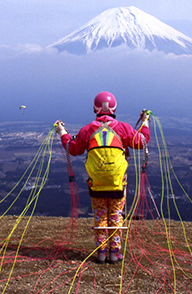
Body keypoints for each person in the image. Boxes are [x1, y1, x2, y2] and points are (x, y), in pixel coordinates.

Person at [55, 92, 150, 264]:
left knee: (100, 215)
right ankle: (115, 253)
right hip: (117, 184)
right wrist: (145, 122)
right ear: (114, 108)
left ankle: (101, 252)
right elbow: (141, 141)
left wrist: (62, 132)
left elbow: (72, 148)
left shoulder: (88, 130)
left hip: (96, 184)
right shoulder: (123, 128)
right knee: (115, 215)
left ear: (95, 108)